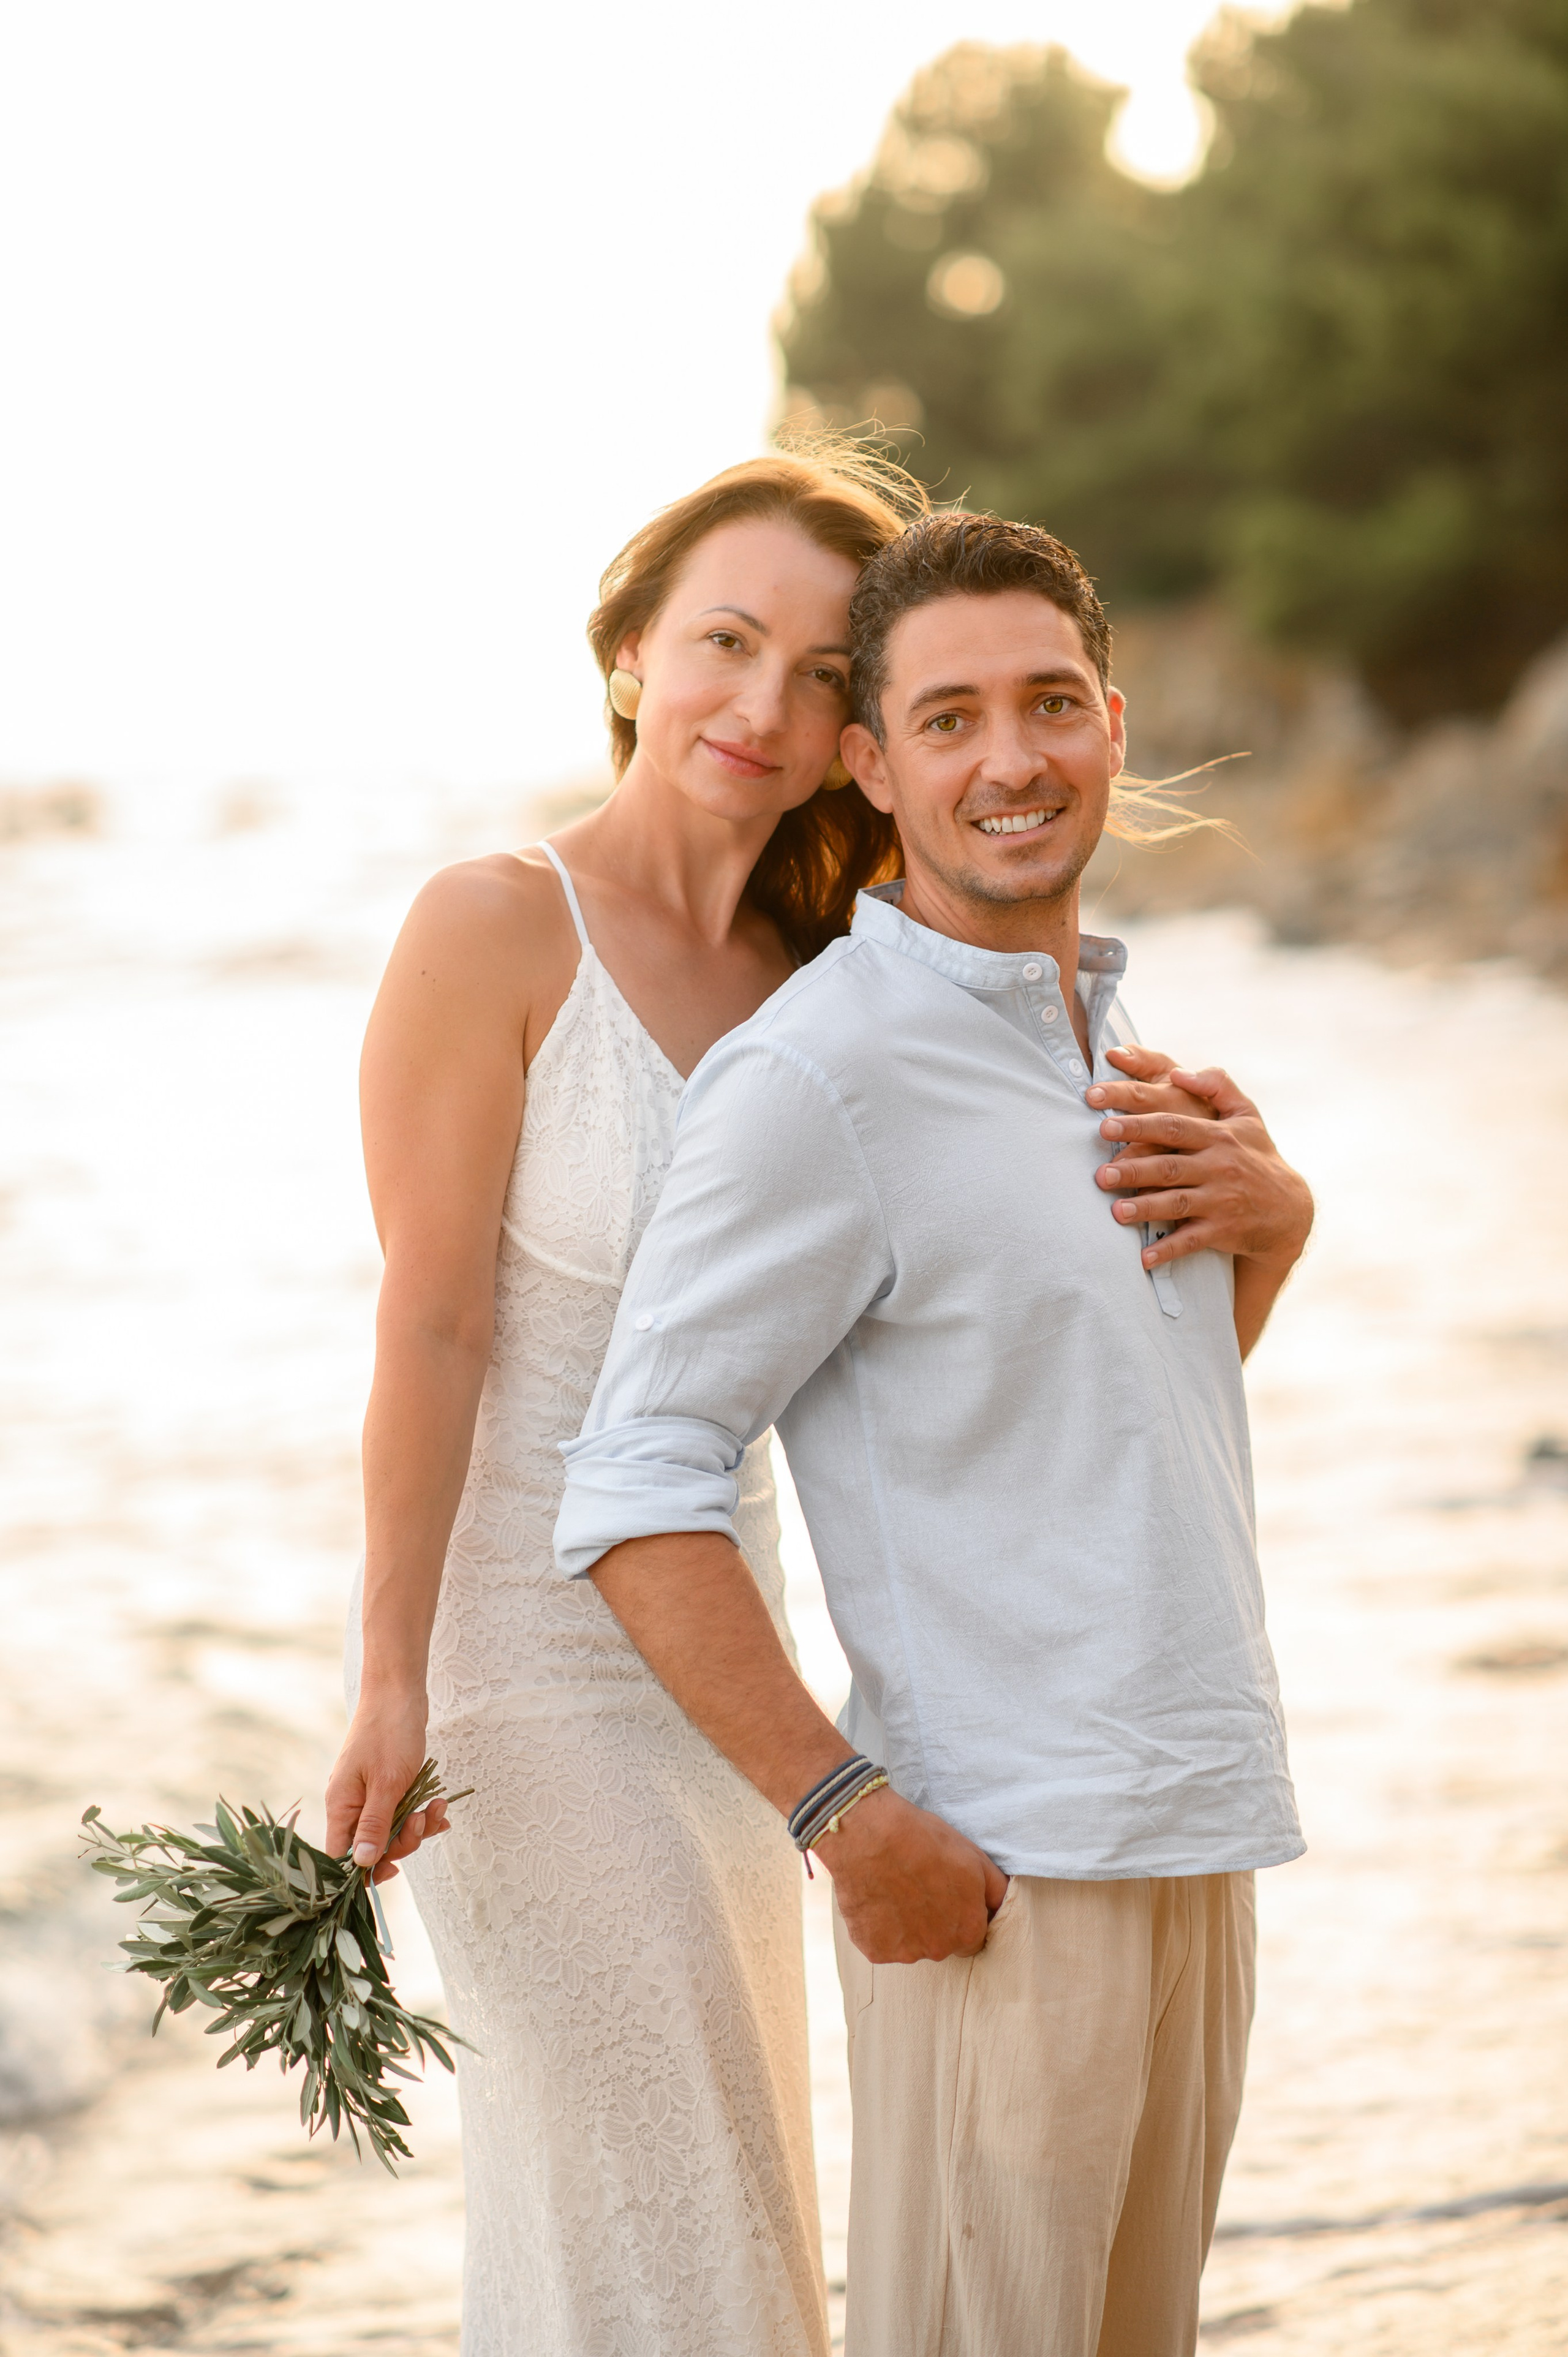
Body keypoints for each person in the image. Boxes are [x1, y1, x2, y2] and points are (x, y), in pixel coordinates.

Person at [326, 450, 1309, 2357]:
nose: (759, 708)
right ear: (627, 653)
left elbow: (1019, 1391)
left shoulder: (830, 968)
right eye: (721, 644)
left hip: (738, 1668)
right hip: (529, 1659)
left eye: (810, 672)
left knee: (742, 2202)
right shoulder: (502, 928)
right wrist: (386, 1674)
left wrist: (1271, 1224)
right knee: (656, 2195)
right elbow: (433, 1328)